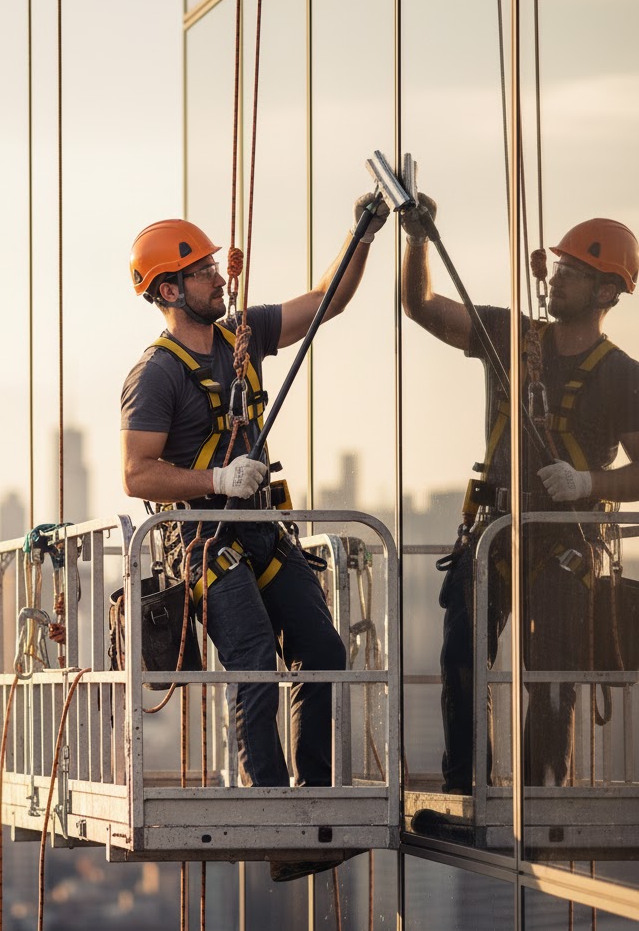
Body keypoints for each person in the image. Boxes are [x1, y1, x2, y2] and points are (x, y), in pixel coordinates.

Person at [120, 196, 388, 880]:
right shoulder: (156, 374)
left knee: (323, 649)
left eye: (214, 266)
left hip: (262, 529)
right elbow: (137, 473)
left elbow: (327, 301)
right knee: (255, 663)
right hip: (206, 542)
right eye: (203, 270)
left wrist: (361, 233)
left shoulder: (244, 334)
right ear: (170, 290)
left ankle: (312, 798)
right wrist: (217, 478)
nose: (219, 277)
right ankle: (276, 820)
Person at [400, 198, 639, 792]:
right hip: (496, 530)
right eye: (555, 268)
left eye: (572, 272)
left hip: (568, 540)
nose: (556, 278)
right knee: (460, 655)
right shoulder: (513, 337)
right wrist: (417, 241)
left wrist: (589, 484)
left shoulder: (620, 375)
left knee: (552, 671)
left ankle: (538, 793)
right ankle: (467, 787)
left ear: (607, 292)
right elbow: (421, 306)